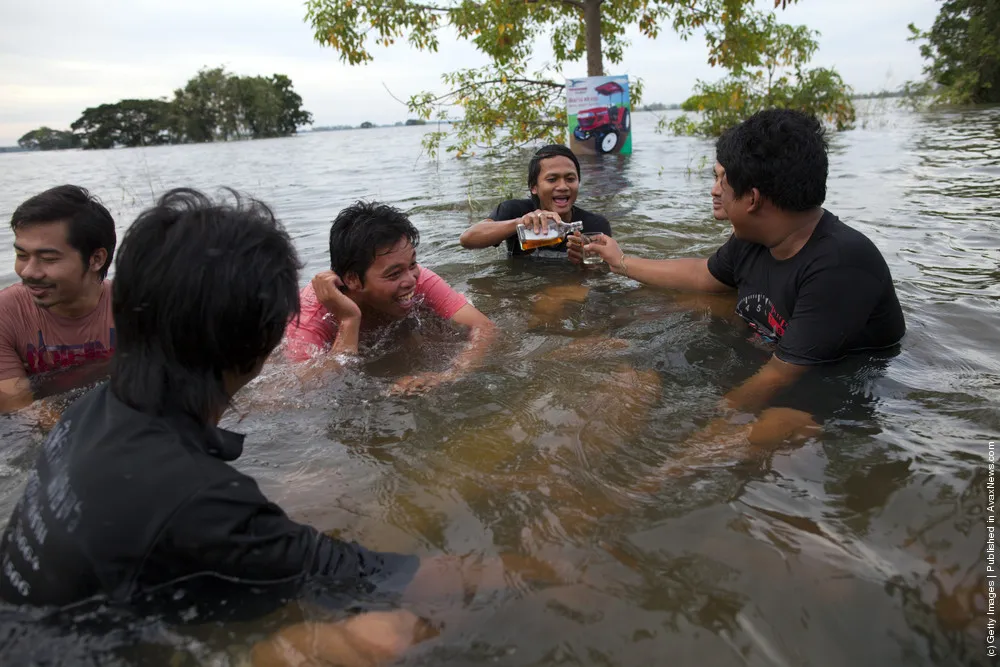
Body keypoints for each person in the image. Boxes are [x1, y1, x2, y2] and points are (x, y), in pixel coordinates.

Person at [0, 189, 438, 665]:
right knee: (395, 631)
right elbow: (384, 576)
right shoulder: (198, 498)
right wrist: (527, 565)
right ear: (263, 337)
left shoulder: (93, 411)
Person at [581, 109, 905, 455]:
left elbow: (781, 375)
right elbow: (703, 275)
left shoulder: (840, 264)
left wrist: (704, 415)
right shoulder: (755, 238)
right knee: (638, 370)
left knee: (744, 433)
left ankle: (634, 495)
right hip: (773, 356)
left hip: (835, 387)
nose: (714, 190)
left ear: (752, 198)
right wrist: (622, 262)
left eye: (722, 179)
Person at [284, 200, 495, 394]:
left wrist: (449, 375)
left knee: (440, 332)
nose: (411, 280)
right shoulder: (310, 315)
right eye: (394, 274)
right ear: (353, 280)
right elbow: (313, 387)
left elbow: (484, 328)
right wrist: (348, 321)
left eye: (412, 264)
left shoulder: (418, 278)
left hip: (396, 334)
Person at [0, 185, 117, 414]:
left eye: (48, 259)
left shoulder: (137, 309)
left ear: (96, 259)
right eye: (21, 256)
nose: (28, 271)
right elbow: (19, 410)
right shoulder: (6, 314)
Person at [459, 144, 611, 264]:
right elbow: (468, 239)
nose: (563, 186)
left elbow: (602, 276)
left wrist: (584, 264)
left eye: (570, 179)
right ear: (534, 187)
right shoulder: (514, 210)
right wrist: (519, 223)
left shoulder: (595, 226)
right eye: (552, 179)